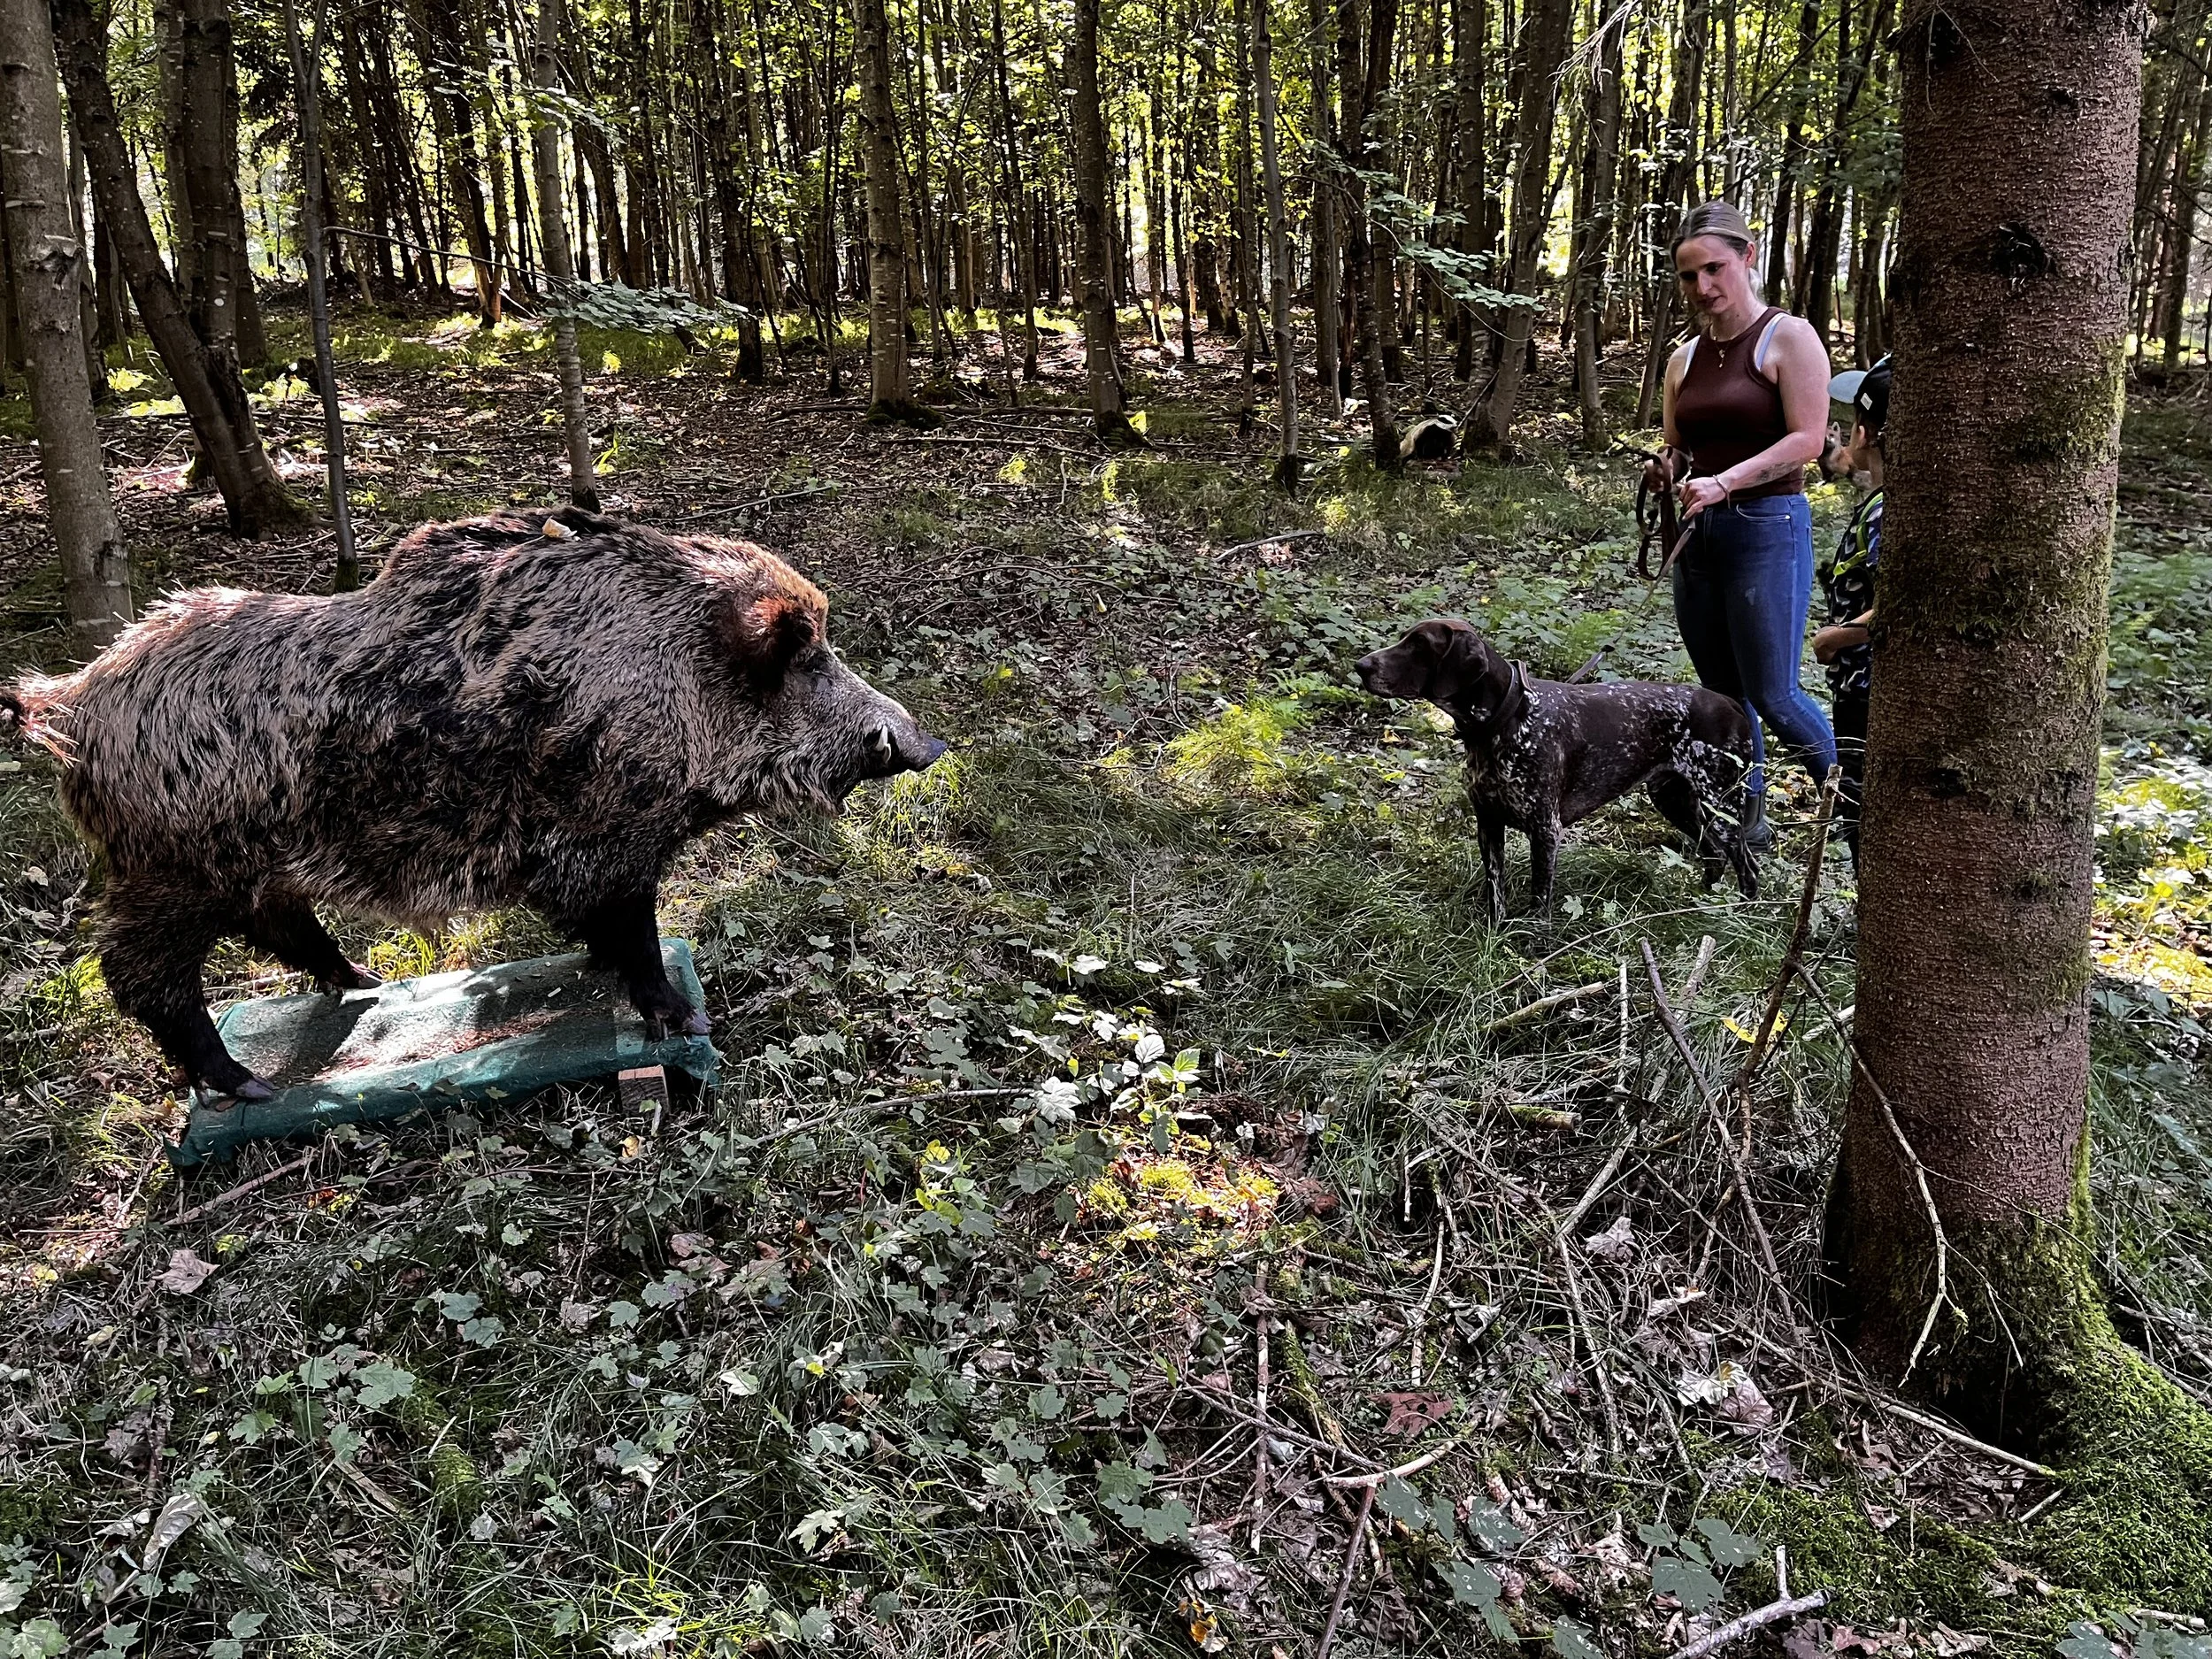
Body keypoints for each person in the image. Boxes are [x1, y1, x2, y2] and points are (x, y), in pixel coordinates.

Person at [1655, 201, 1839, 850]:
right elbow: (1677, 444)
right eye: (1687, 276)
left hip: (1768, 525)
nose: (1702, 287)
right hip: (1700, 536)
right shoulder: (1684, 359)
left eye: (1714, 269)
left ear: (1747, 258)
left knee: (1776, 693)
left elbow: (1809, 440)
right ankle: (1746, 821)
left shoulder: (1787, 337)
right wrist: (1665, 470)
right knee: (1723, 695)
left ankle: (1856, 817)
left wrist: (1728, 480)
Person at [1812, 355, 1889, 873]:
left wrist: (1836, 639)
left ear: (1865, 432)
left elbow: (1902, 603)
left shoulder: (1886, 510)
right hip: (1858, 684)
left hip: (1867, 685)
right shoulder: (1881, 497)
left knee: (1863, 806)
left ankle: (1872, 919)